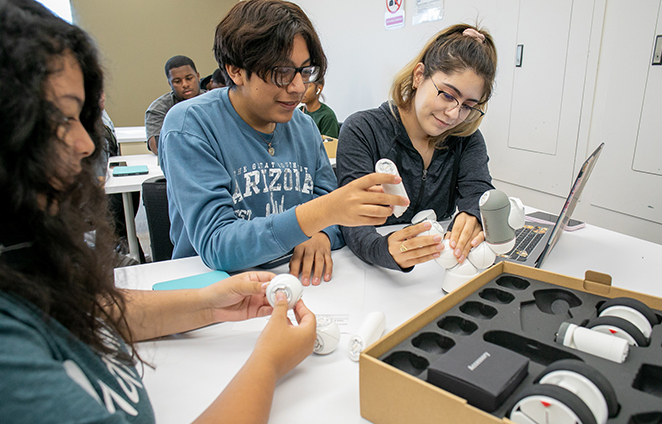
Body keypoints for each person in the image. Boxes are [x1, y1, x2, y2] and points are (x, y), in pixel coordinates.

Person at [0, 1, 317, 422]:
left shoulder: (26, 260)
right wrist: (269, 362)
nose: (87, 145)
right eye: (59, 119)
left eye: (82, 117)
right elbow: (218, 241)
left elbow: (88, 306)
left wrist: (210, 304)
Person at [159, 0, 407, 286]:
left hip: (298, 282)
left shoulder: (303, 127)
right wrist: (317, 216)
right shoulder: (189, 126)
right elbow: (218, 245)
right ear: (236, 70)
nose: (299, 87)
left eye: (304, 71)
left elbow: (334, 218)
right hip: (214, 288)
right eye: (282, 73)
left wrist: (322, 233)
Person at [336, 24, 497, 271]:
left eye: (467, 106)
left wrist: (474, 214)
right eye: (447, 95)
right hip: (371, 272)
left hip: (437, 272)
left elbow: (478, 190)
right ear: (419, 75)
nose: (454, 114)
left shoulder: (467, 139)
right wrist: (383, 250)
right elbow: (352, 220)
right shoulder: (363, 129)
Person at [145, 55, 203, 154]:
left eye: (189, 78)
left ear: (198, 77)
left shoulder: (215, 102)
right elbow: (157, 147)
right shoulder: (158, 108)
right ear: (169, 84)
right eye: (177, 81)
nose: (185, 84)